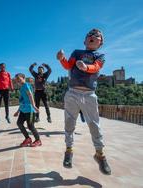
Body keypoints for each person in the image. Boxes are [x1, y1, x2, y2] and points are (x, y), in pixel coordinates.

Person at [56, 28, 111, 175]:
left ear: (101, 43)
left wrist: (86, 67)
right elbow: (68, 65)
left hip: (89, 94)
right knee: (69, 123)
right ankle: (69, 151)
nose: (92, 37)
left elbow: (96, 67)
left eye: (97, 36)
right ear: (85, 40)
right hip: (72, 92)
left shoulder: (100, 55)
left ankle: (99, 154)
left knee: (94, 124)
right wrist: (61, 58)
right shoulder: (76, 52)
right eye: (90, 35)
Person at [13, 73, 42, 147]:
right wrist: (18, 111)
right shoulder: (22, 87)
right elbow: (22, 101)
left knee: (30, 126)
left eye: (19, 79)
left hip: (29, 109)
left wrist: (34, 106)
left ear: (23, 78)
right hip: (23, 110)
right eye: (17, 80)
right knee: (19, 123)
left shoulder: (26, 85)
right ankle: (27, 139)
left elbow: (30, 95)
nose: (18, 81)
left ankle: (38, 140)